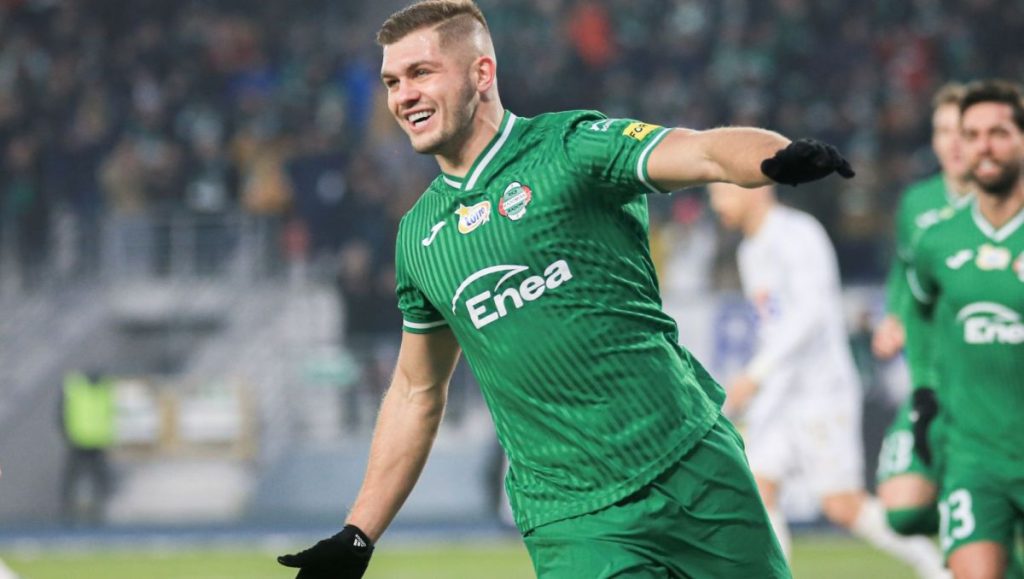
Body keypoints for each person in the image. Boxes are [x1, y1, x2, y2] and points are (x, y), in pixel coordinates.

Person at [278, 2, 854, 577]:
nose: (404, 96)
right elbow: (415, 391)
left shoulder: (572, 148)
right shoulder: (419, 239)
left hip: (693, 467)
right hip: (572, 520)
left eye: (421, 73)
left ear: (481, 73)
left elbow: (700, 150)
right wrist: (358, 534)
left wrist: (774, 158)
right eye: (392, 82)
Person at [707, 181, 947, 578]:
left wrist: (756, 373)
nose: (717, 203)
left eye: (723, 192)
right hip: (781, 394)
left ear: (757, 188)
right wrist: (760, 380)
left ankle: (938, 567)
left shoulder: (797, 234)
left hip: (821, 391)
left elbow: (812, 313)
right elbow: (775, 326)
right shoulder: (750, 250)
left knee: (842, 505)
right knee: (758, 488)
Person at [904, 79, 1024, 579]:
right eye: (971, 135)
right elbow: (917, 312)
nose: (982, 147)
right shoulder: (936, 240)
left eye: (998, 133)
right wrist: (924, 389)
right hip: (974, 458)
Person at [872, 83, 974, 538]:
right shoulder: (918, 202)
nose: (953, 143)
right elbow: (904, 269)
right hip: (929, 382)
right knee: (902, 509)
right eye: (943, 131)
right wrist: (894, 316)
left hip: (987, 383)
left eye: (964, 132)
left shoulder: (1004, 204)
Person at [58, 367, 116, 525]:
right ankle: (69, 508)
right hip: (82, 440)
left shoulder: (77, 388)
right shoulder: (87, 388)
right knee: (77, 477)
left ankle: (98, 508)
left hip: (91, 440)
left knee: (94, 477)